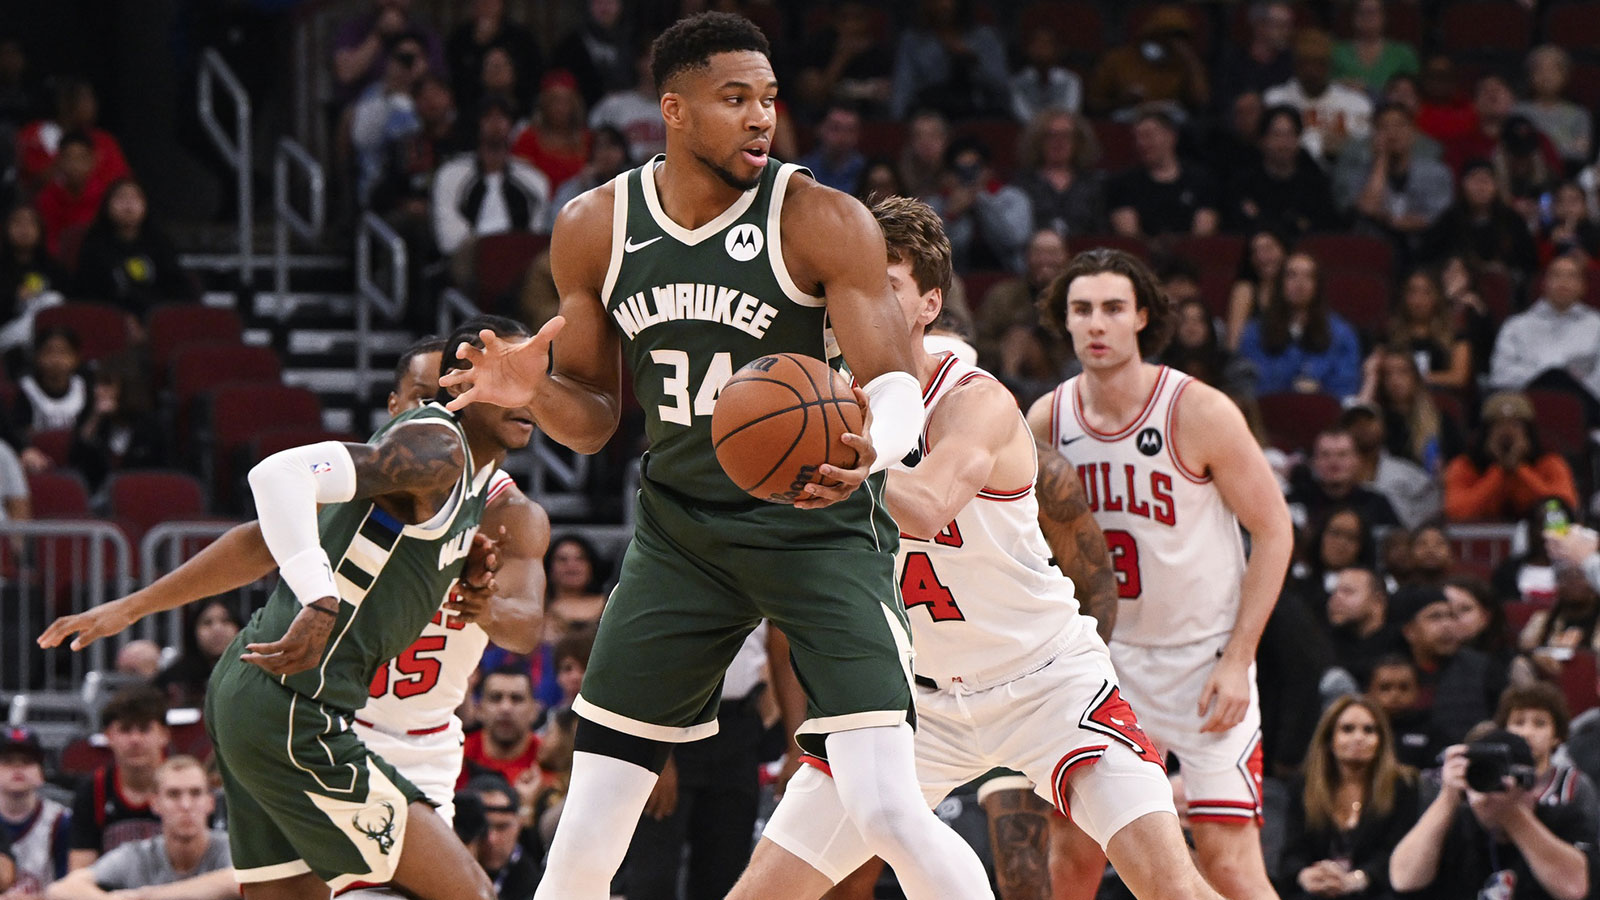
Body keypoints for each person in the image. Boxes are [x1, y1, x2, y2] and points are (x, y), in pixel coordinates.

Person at [436, 15, 993, 899]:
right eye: (735, 99)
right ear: (674, 110)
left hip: (817, 525)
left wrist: (872, 451)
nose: (761, 116)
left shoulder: (821, 218)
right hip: (681, 537)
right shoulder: (594, 226)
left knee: (887, 808)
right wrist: (532, 393)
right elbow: (593, 422)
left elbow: (895, 384)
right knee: (584, 836)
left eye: (768, 98)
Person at [729, 195, 1216, 900]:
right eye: (848, 285)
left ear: (930, 303)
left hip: (1044, 683)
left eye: (885, 286)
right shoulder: (817, 403)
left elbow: (929, 506)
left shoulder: (973, 401)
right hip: (909, 703)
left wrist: (845, 467)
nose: (861, 302)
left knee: (1170, 887)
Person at [39, 324, 550, 894]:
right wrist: (314, 594)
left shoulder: (494, 501)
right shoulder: (417, 456)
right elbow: (264, 525)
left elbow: (526, 626)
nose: (433, 415)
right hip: (310, 709)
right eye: (424, 399)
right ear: (399, 406)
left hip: (368, 723)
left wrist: (478, 598)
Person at [1029, 248, 1295, 899]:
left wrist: (1239, 657)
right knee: (1073, 853)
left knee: (1229, 864)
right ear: (1064, 320)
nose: (1097, 323)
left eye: (1113, 308)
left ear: (1142, 316)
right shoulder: (1046, 421)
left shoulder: (1197, 410)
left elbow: (1274, 530)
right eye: (1081, 309)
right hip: (1104, 661)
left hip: (1203, 660)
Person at [1389, 728, 1593, 900]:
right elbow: (1403, 880)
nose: (1491, 791)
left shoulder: (1562, 819)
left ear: (1530, 783)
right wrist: (1448, 797)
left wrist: (1513, 816)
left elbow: (1574, 888)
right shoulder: (1452, 824)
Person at [1275, 695, 1420, 900]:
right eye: (1347, 729)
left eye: (1369, 730)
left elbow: (1397, 853)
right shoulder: (1303, 785)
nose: (1359, 738)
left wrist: (1357, 879)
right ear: (1329, 740)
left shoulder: (1404, 784)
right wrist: (1305, 876)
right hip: (1317, 893)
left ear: (1381, 740)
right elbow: (1292, 853)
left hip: (1376, 892)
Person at [45, 756, 234, 900]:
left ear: (210, 802)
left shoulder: (230, 848)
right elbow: (60, 890)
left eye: (195, 793)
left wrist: (145, 896)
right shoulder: (138, 855)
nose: (186, 805)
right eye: (173, 794)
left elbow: (235, 880)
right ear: (155, 803)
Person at [1236, 251, 1362, 398]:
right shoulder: (1255, 332)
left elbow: (1347, 386)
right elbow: (1247, 382)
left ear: (1318, 285)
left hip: (1324, 408)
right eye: (1292, 275)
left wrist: (1319, 390)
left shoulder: (1341, 333)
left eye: (1309, 276)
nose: (1300, 283)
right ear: (1280, 283)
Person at [1392, 585, 1507, 746]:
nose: (1447, 625)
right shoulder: (1388, 672)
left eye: (1451, 616)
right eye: (1435, 617)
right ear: (1409, 631)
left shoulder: (1484, 669)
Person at [68, 687, 168, 869]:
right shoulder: (93, 790)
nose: (135, 740)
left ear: (164, 735)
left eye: (144, 729)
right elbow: (79, 870)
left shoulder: (186, 785)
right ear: (108, 736)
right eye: (125, 730)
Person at [1488, 254, 1600, 415]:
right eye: (1556, 275)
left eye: (1571, 276)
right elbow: (1500, 375)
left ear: (1583, 286)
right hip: (1525, 408)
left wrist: (1570, 383)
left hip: (1586, 410)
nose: (1563, 282)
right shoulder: (1516, 326)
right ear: (1544, 283)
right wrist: (1546, 375)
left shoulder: (1597, 326)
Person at [1443, 391, 1579, 523]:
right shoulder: (1464, 466)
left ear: (1528, 433)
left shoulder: (1550, 463)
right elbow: (1456, 513)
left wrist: (1520, 469)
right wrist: (1498, 471)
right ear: (1485, 433)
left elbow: (1565, 508)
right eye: (1498, 425)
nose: (1507, 433)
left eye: (1516, 425)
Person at [1336, 103, 1454, 252]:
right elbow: (1368, 209)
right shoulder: (1360, 172)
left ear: (1413, 133)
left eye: (1399, 125)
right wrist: (1381, 159)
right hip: (1375, 249)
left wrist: (1390, 220)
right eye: (1384, 127)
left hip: (1426, 249)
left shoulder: (1436, 173)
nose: (1392, 133)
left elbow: (1437, 218)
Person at [1223, 105, 1340, 237]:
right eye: (1277, 135)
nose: (1283, 144)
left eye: (1290, 135)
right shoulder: (1243, 184)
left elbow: (1325, 230)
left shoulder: (1315, 185)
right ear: (1262, 140)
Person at [1265, 29, 1373, 167]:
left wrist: (1345, 146)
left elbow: (1366, 151)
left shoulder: (1356, 103)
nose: (1312, 71)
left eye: (1319, 64)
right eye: (1306, 63)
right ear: (1296, 65)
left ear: (1329, 66)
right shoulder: (1275, 100)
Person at [888, 0, 1009, 121]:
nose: (944, 5)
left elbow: (1001, 86)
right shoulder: (913, 40)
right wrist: (898, 121)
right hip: (930, 112)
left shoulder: (984, 38)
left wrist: (973, 62)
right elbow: (903, 87)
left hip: (976, 110)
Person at [1108, 108, 1220, 239]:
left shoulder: (1200, 180)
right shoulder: (1124, 183)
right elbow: (1129, 237)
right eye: (1137, 137)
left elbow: (1202, 236)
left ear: (1171, 136)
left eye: (1148, 135)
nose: (1141, 143)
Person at [1087, 5, 1209, 119]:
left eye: (1178, 38)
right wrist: (1120, 101)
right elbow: (1094, 104)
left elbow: (1201, 101)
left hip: (1168, 123)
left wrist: (1191, 61)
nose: (1170, 43)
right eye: (1164, 35)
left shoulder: (1184, 64)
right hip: (1126, 121)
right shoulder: (1117, 60)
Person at [1422, 159, 1539, 278]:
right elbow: (1429, 257)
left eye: (1486, 180)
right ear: (1463, 185)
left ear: (1496, 186)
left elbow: (1529, 263)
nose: (1481, 187)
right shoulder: (1449, 220)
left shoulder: (1512, 220)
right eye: (1475, 181)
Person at [67, 356, 164, 492]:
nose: (97, 390)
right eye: (97, 384)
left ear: (127, 389)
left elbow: (162, 474)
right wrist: (95, 419)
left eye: (106, 384)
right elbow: (76, 465)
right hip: (96, 496)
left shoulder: (151, 426)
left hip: (140, 494)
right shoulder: (91, 417)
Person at [1014, 108, 1105, 238]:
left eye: (1066, 135)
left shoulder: (1094, 183)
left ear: (1078, 141)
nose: (1059, 141)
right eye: (1051, 135)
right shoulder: (1022, 183)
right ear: (1038, 140)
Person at [0, 727, 71, 893]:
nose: (18, 768)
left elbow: (71, 887)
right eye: (8, 761)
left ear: (41, 773)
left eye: (27, 761)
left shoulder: (61, 821)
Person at [445, 0, 541, 121]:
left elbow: (535, 76)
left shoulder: (521, 38)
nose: (485, 5)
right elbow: (454, 81)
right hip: (471, 111)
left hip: (520, 110)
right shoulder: (460, 39)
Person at [153, 598, 242, 708]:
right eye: (207, 623)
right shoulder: (173, 681)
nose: (217, 629)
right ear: (193, 631)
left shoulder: (253, 672)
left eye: (226, 621)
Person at [463, 667, 542, 790]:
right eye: (496, 698)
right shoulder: (458, 756)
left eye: (516, 698)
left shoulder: (548, 760)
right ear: (479, 709)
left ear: (534, 711)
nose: (505, 708)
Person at [511, 70, 591, 190]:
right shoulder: (528, 139)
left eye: (565, 101)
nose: (559, 107)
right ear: (544, 103)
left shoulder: (587, 139)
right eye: (554, 100)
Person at [1325, 567, 1404, 686]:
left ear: (1378, 600)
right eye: (1334, 592)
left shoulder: (1401, 645)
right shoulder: (1326, 645)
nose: (1335, 599)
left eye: (1348, 592)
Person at [465, 774, 538, 900]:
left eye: (502, 827)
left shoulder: (539, 884)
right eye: (482, 828)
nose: (491, 839)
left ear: (520, 824)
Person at [1516, 46, 1591, 169]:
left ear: (1565, 75)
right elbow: (1516, 152)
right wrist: (1565, 147)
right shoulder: (1519, 112)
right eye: (1539, 69)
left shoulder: (1579, 114)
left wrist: (1542, 151)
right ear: (1530, 75)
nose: (1546, 76)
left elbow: (1580, 153)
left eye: (1553, 69)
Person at [1366, 655, 1442, 771]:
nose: (1395, 695)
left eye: (1404, 688)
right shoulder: (1360, 730)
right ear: (1369, 692)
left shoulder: (1434, 734)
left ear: (1418, 691)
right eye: (1385, 688)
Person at [1331, 0, 1420, 97]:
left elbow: (1413, 93)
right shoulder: (1337, 52)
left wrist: (1369, 90)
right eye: (1361, 12)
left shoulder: (1403, 54)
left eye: (1372, 12)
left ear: (1384, 17)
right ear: (1353, 16)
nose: (1366, 17)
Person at [1226, 229, 1288, 351]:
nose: (1262, 257)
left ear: (1284, 251)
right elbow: (1234, 343)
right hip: (1253, 358)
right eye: (1256, 251)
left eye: (1268, 248)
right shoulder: (1245, 290)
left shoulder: (1296, 288)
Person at [1009, 25, 1082, 123]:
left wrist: (1053, 125)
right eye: (1037, 43)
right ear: (1027, 49)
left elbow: (1070, 112)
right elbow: (1021, 113)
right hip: (1030, 129)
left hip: (1061, 128)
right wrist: (1040, 126)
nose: (1041, 49)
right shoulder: (1017, 81)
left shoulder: (1071, 80)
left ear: (1057, 49)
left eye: (1046, 44)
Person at [796, 103, 864, 196]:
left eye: (850, 130)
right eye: (835, 128)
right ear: (819, 129)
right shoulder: (802, 171)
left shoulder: (867, 171)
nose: (843, 136)